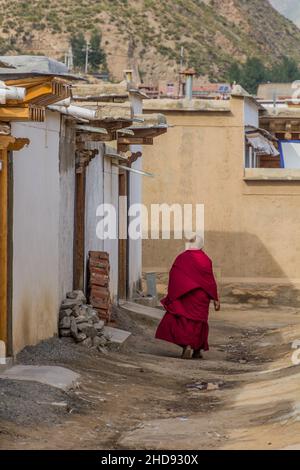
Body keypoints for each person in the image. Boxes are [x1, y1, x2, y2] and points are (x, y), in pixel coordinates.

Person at [155, 235, 220, 359]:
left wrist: (173, 294)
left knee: (184, 321)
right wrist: (215, 298)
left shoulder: (182, 258)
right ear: (202, 245)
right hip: (201, 297)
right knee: (200, 322)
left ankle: (187, 346)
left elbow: (174, 274)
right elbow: (209, 280)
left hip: (185, 295)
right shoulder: (206, 260)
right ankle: (197, 350)